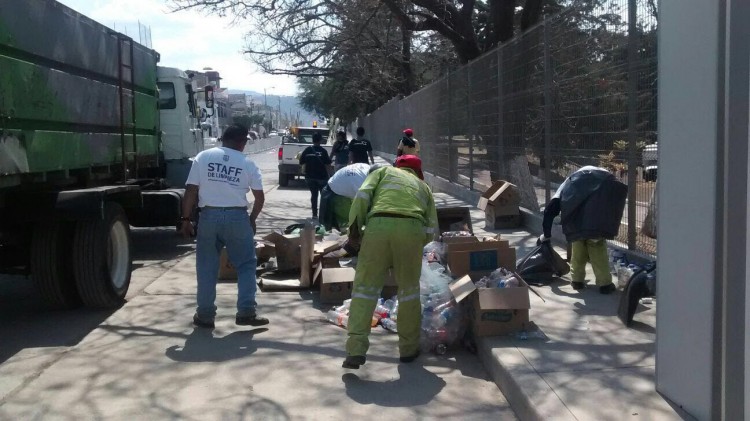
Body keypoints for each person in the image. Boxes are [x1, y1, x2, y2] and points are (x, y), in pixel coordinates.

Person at [342, 155, 438, 369]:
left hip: (377, 227)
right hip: (411, 231)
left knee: (365, 290)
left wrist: (355, 230)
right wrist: (413, 245)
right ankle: (408, 349)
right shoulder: (424, 188)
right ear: (418, 172)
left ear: (398, 165)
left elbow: (362, 197)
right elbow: (431, 229)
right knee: (409, 293)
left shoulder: (382, 172)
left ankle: (355, 350)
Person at [180, 124, 268, 328]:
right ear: (242, 142)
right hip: (237, 217)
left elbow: (191, 190)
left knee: (206, 267)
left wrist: (185, 220)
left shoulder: (203, 157)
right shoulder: (247, 163)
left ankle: (205, 315)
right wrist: (252, 219)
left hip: (208, 217)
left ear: (223, 138)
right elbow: (259, 197)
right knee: (246, 265)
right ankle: (246, 312)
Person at [540, 165, 627, 294]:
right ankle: (605, 284)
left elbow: (549, 211)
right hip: (599, 212)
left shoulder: (567, 185)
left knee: (578, 244)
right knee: (596, 245)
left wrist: (546, 235)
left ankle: (577, 280)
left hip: (577, 222)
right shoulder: (606, 178)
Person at [319, 163, 384, 232]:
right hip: (337, 194)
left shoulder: (367, 168)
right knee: (348, 225)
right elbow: (364, 204)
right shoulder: (361, 182)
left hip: (337, 185)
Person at [299, 132, 332, 218]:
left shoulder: (307, 150)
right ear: (320, 140)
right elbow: (328, 164)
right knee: (323, 196)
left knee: (314, 195)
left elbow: (301, 162)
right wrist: (330, 176)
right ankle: (323, 214)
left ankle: (314, 214)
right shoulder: (323, 151)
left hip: (310, 177)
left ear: (312, 140)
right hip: (322, 177)